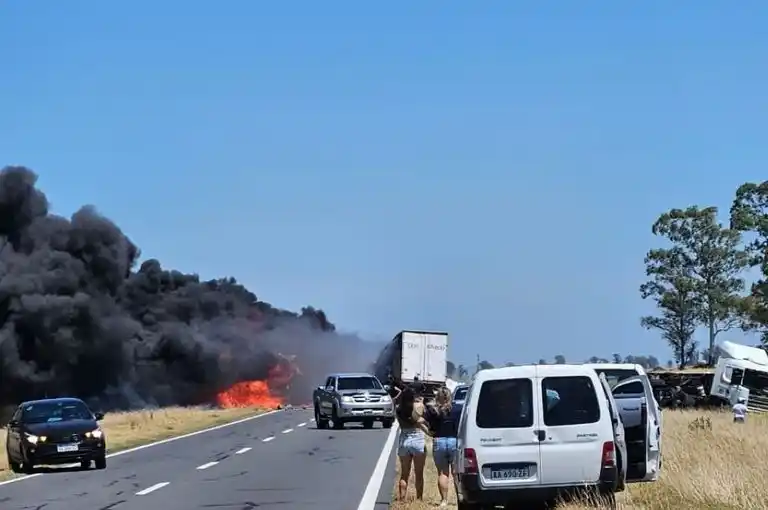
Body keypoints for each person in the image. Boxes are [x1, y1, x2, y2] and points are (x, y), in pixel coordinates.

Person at [424, 386, 458, 508]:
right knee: (456, 473)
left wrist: (427, 431)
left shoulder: (433, 410)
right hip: (454, 441)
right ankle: (459, 497)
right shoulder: (457, 409)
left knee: (443, 473)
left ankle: (444, 500)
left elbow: (422, 420)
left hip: (439, 441)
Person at [395, 386, 428, 501]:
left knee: (404, 473)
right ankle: (419, 498)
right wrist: (421, 402)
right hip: (417, 438)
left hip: (404, 439)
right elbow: (423, 414)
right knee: (419, 473)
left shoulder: (399, 409)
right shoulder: (418, 407)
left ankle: (402, 498)